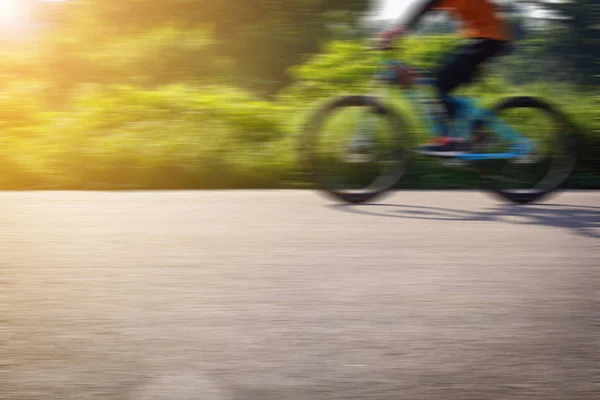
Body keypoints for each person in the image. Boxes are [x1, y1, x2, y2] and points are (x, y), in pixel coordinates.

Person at [379, 0, 511, 155]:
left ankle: (458, 140)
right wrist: (400, 30)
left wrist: (398, 31)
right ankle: (472, 134)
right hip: (480, 39)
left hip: (489, 40)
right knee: (436, 84)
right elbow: (426, 8)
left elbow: (425, 5)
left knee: (438, 87)